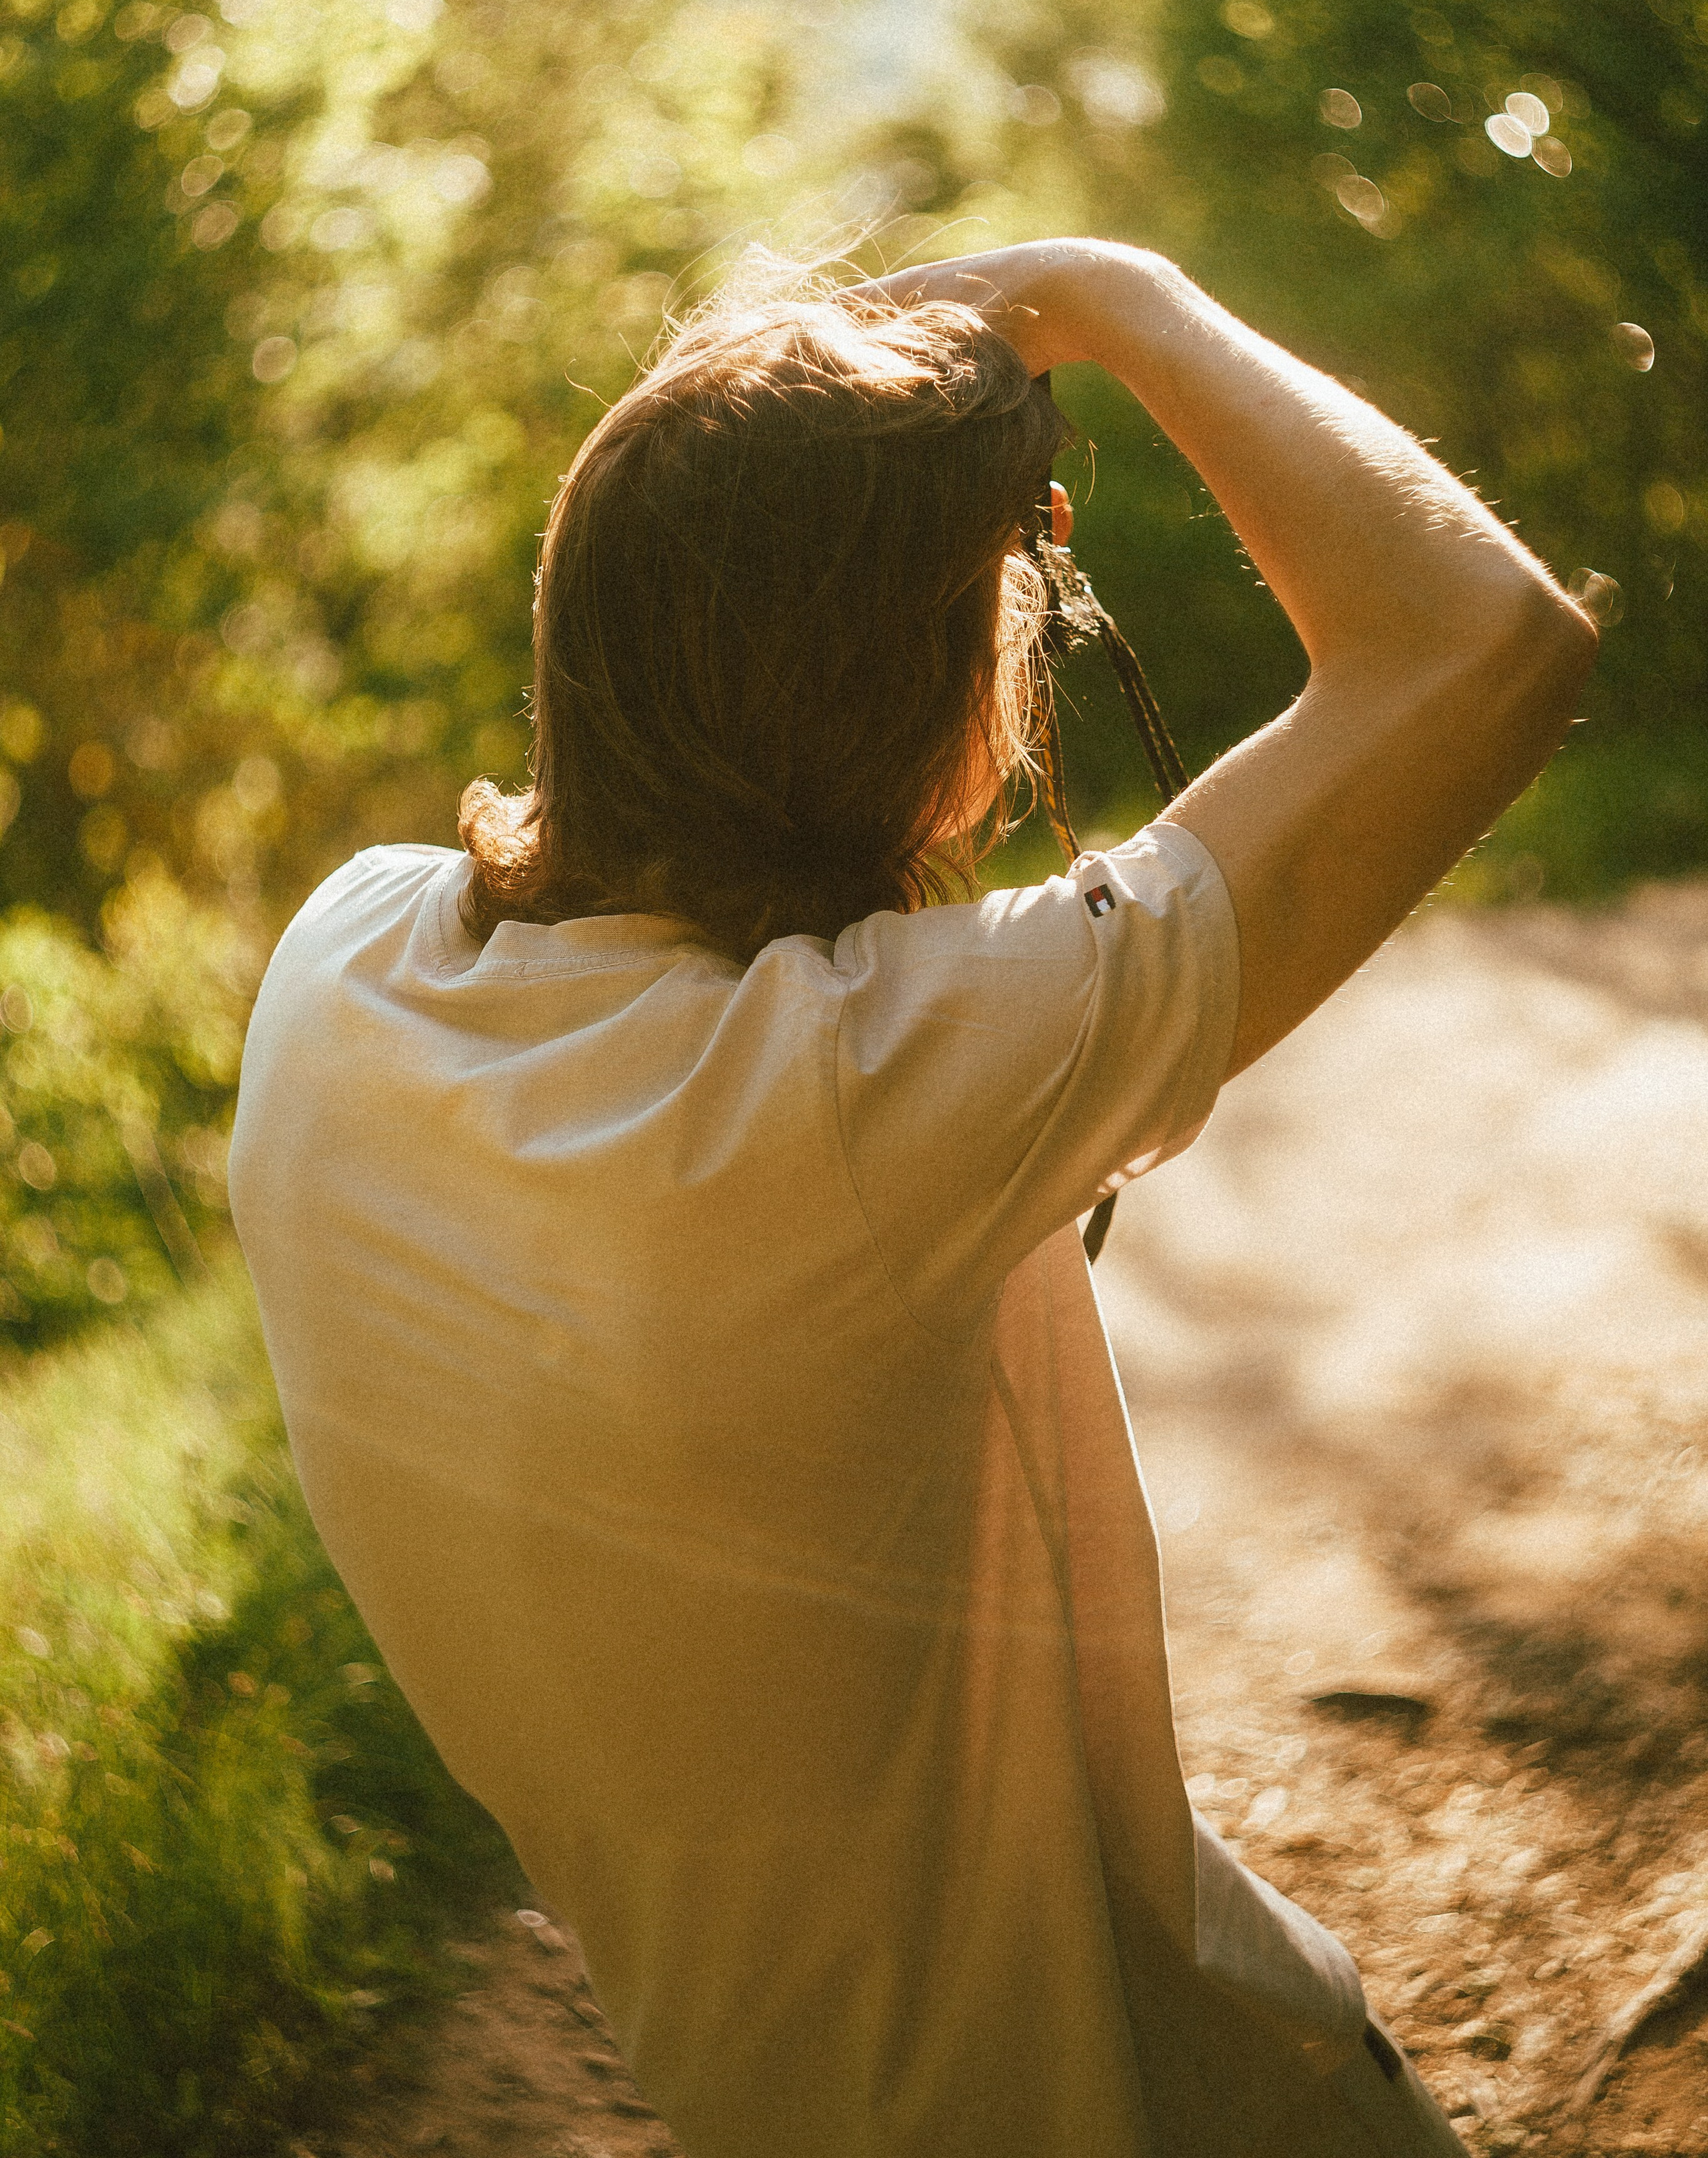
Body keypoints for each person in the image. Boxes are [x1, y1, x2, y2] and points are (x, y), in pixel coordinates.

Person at [230, 240, 1595, 2157]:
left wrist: (750, 438)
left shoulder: (339, 973)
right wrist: (1119, 297)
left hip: (756, 2092)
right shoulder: (858, 1096)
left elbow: (694, 603)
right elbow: (1487, 640)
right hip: (1143, 2102)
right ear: (910, 707)